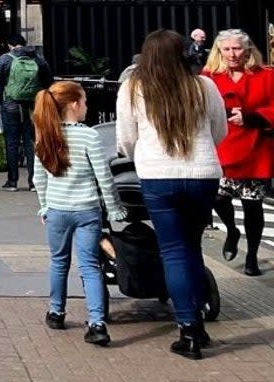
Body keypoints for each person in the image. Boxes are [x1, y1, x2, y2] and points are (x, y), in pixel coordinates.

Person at [116, 29, 227, 360]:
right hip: (202, 174)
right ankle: (200, 320)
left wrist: (142, 154)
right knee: (192, 248)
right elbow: (219, 129)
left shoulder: (134, 88)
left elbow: (126, 139)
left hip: (158, 176)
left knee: (173, 251)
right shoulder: (204, 86)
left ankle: (188, 329)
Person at [33, 80, 126, 346]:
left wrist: (45, 205)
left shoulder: (45, 135)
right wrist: (115, 208)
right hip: (88, 210)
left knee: (59, 261)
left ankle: (56, 311)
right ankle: (97, 323)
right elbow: (104, 177)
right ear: (74, 104)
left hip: (57, 210)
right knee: (89, 266)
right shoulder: (89, 135)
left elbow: (39, 179)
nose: (86, 106)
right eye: (84, 101)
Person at [202, 29, 274, 277]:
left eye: (237, 49)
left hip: (255, 147)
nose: (232, 54)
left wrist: (253, 116)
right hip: (222, 146)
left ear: (247, 50)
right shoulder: (208, 77)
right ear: (218, 51)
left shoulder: (266, 75)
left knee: (252, 205)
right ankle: (231, 230)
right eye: (227, 49)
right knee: (217, 198)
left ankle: (252, 256)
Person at [0, 34, 54, 192]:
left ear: (10, 45)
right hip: (34, 106)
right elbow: (48, 82)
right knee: (31, 142)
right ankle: (34, 182)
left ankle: (12, 182)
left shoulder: (4, 60)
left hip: (10, 105)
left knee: (11, 142)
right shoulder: (38, 59)